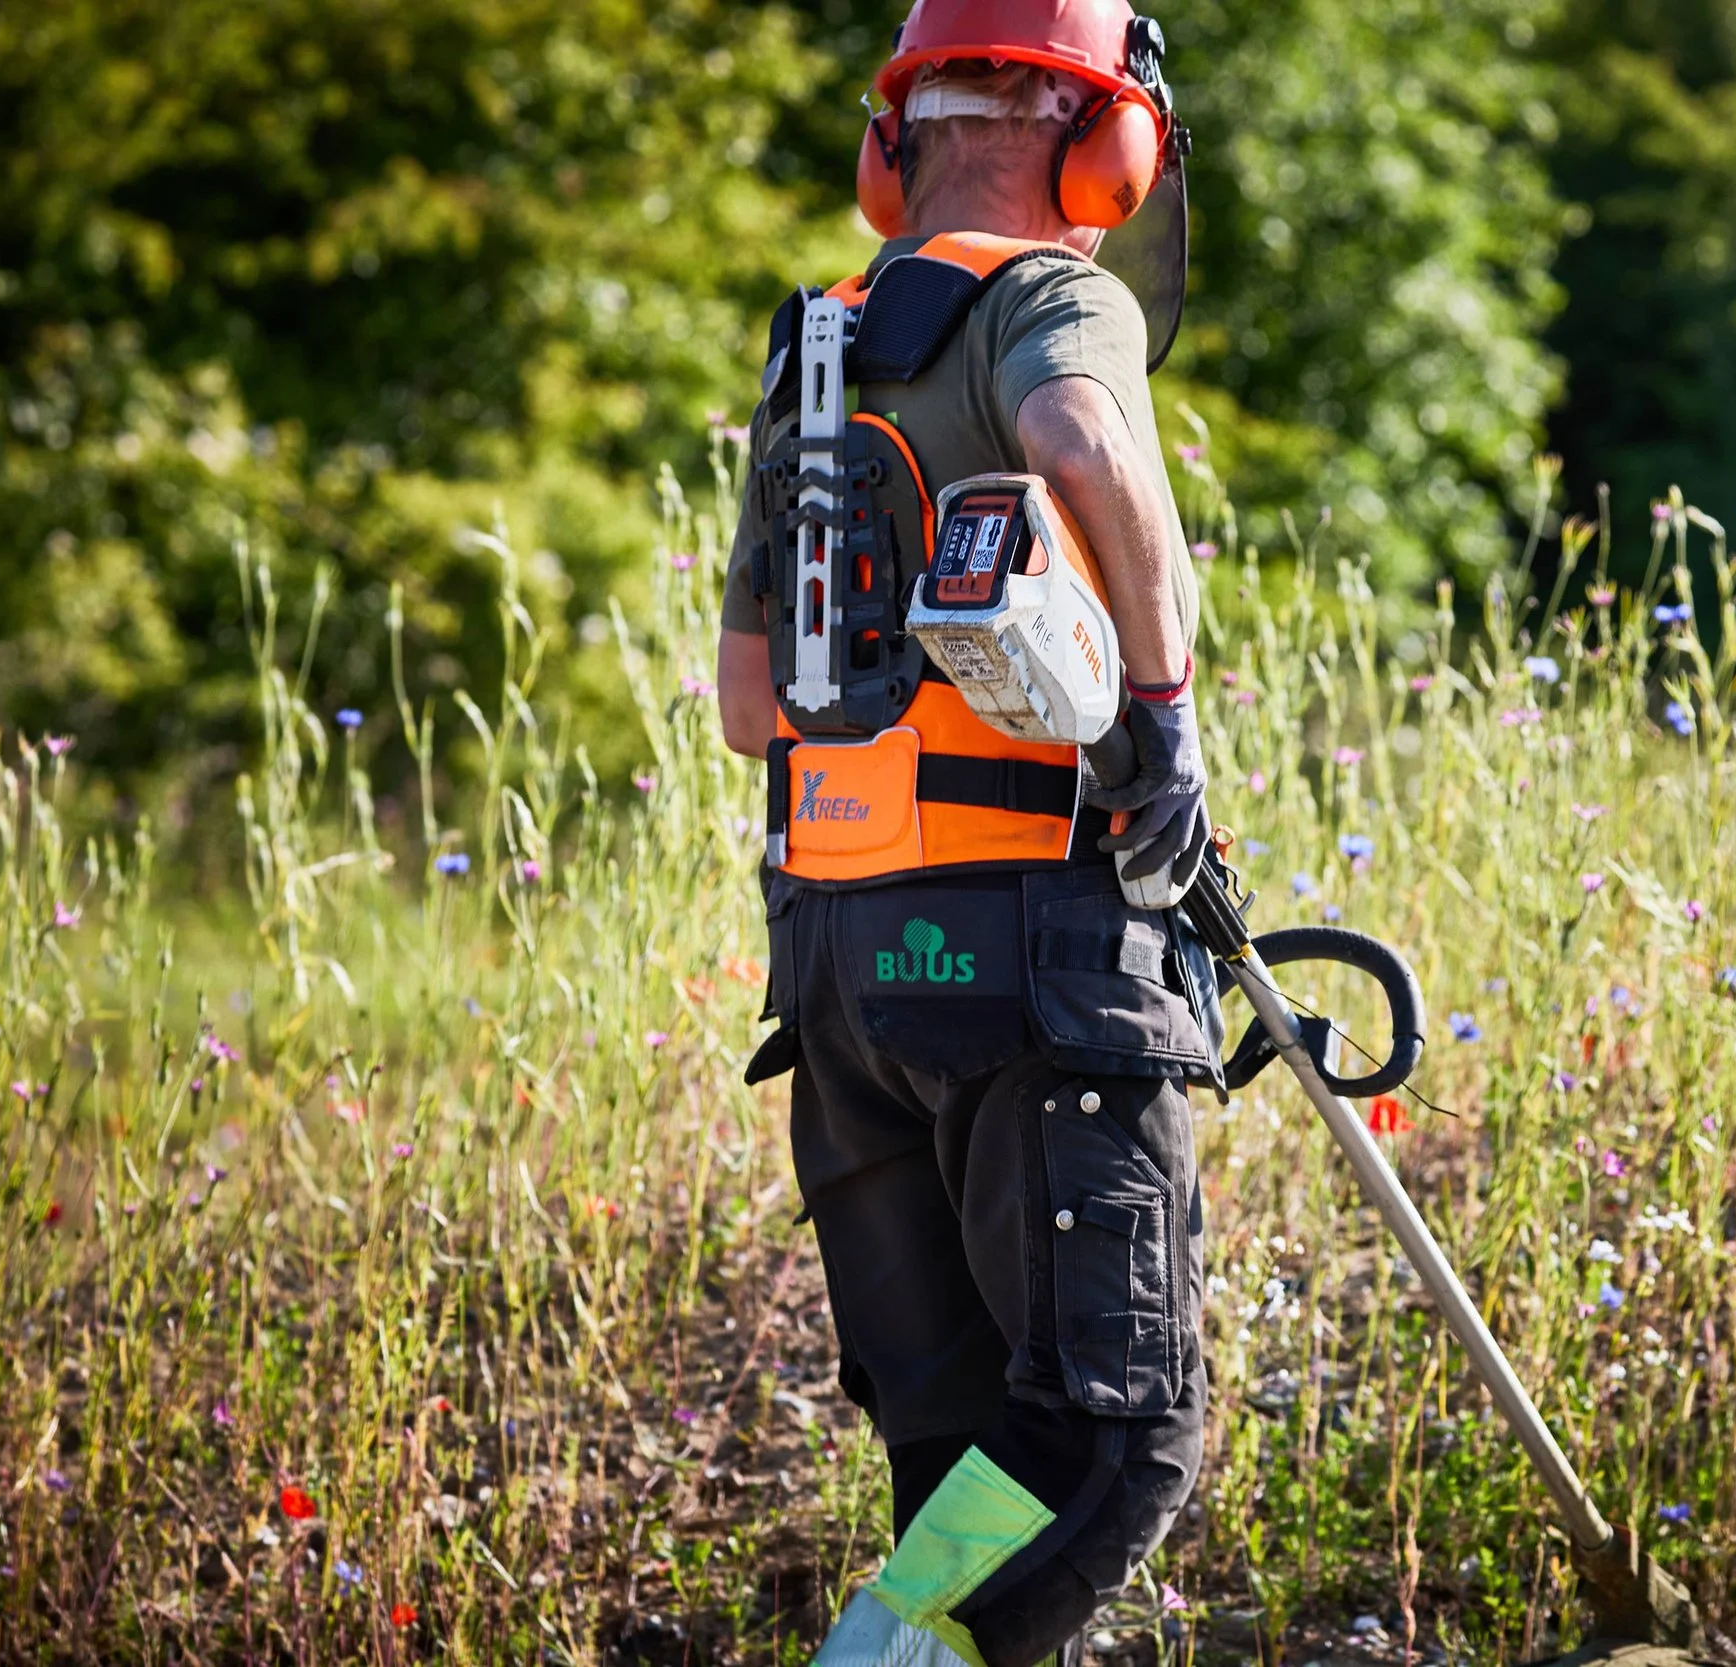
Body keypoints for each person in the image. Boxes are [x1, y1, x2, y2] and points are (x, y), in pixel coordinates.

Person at [713, 5, 1214, 1663]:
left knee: (966, 1468)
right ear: (1104, 139)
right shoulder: (1052, 293)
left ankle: (911, 1639)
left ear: (894, 139)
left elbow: (743, 704)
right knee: (1110, 1438)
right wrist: (1165, 708)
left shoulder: (817, 348)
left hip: (845, 966)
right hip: (1029, 949)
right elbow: (1079, 438)